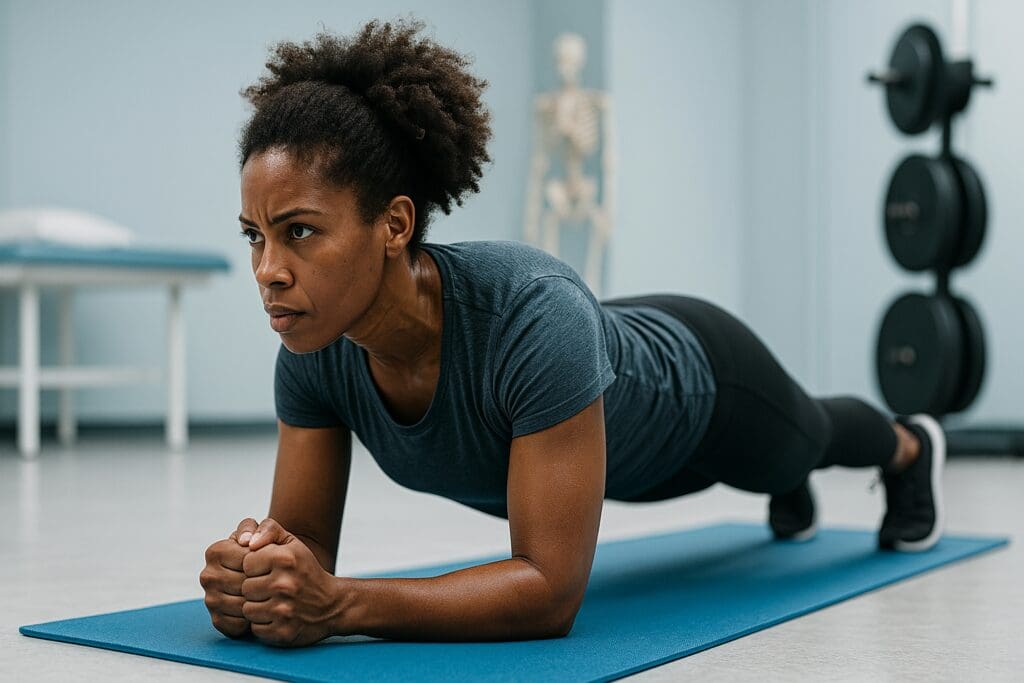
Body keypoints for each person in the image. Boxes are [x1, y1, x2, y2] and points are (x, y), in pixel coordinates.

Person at [199, 19, 946, 649]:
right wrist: (258, 578)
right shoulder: (312, 350)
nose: (268, 269)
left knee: (804, 437)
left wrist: (343, 605)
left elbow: (550, 593)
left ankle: (910, 443)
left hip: (703, 389)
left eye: (299, 232)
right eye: (254, 237)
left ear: (395, 223)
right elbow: (302, 553)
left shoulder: (532, 314)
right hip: (621, 454)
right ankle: (788, 477)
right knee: (771, 462)